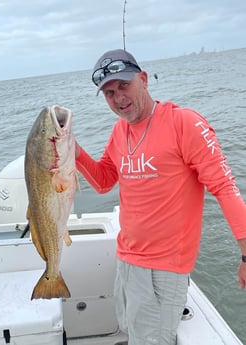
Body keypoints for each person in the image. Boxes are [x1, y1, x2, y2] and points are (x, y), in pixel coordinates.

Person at [74, 48, 246, 345]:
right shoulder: (119, 131)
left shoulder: (185, 123)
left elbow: (225, 187)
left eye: (124, 86)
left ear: (143, 79)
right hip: (127, 257)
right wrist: (73, 151)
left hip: (164, 267)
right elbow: (103, 181)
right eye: (109, 93)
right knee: (132, 329)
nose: (118, 99)